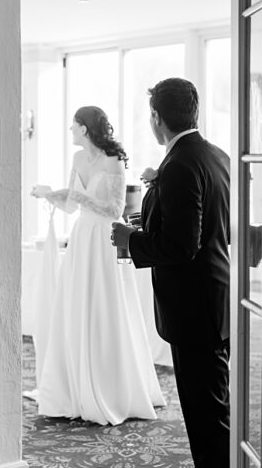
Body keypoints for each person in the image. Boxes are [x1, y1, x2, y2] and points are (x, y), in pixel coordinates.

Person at [111, 78, 231, 468]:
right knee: (205, 415)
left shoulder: (180, 165)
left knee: (209, 419)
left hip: (196, 310)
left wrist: (130, 241)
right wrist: (146, 225)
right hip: (209, 302)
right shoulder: (214, 155)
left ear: (157, 118)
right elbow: (199, 233)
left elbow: (182, 247)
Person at [31, 106, 165, 425]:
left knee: (106, 306)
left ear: (85, 129)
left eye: (73, 126)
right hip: (81, 240)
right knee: (78, 306)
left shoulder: (113, 161)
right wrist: (49, 195)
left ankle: (112, 386)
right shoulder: (78, 160)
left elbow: (115, 208)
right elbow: (67, 206)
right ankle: (75, 384)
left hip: (105, 239)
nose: (70, 131)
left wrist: (79, 199)